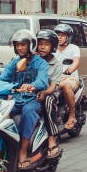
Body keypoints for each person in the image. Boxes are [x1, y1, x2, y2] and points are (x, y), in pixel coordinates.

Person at [0, 29, 49, 170]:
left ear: (30, 45)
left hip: (32, 100)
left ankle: (23, 150)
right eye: (17, 45)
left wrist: (32, 86)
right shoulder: (15, 62)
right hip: (16, 99)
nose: (19, 48)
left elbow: (43, 81)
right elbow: (3, 77)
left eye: (23, 45)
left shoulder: (40, 63)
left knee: (28, 111)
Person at [35, 30, 63, 160]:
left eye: (46, 44)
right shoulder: (33, 59)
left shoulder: (56, 64)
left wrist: (44, 92)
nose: (42, 46)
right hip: (32, 92)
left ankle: (52, 138)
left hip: (50, 93)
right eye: (40, 43)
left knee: (47, 101)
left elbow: (52, 86)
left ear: (53, 46)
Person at [53, 23, 81, 130]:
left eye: (62, 35)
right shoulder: (52, 48)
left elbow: (76, 62)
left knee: (65, 85)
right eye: (57, 35)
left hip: (70, 78)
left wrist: (70, 69)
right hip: (55, 78)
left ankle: (72, 116)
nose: (59, 37)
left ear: (68, 37)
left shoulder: (74, 48)